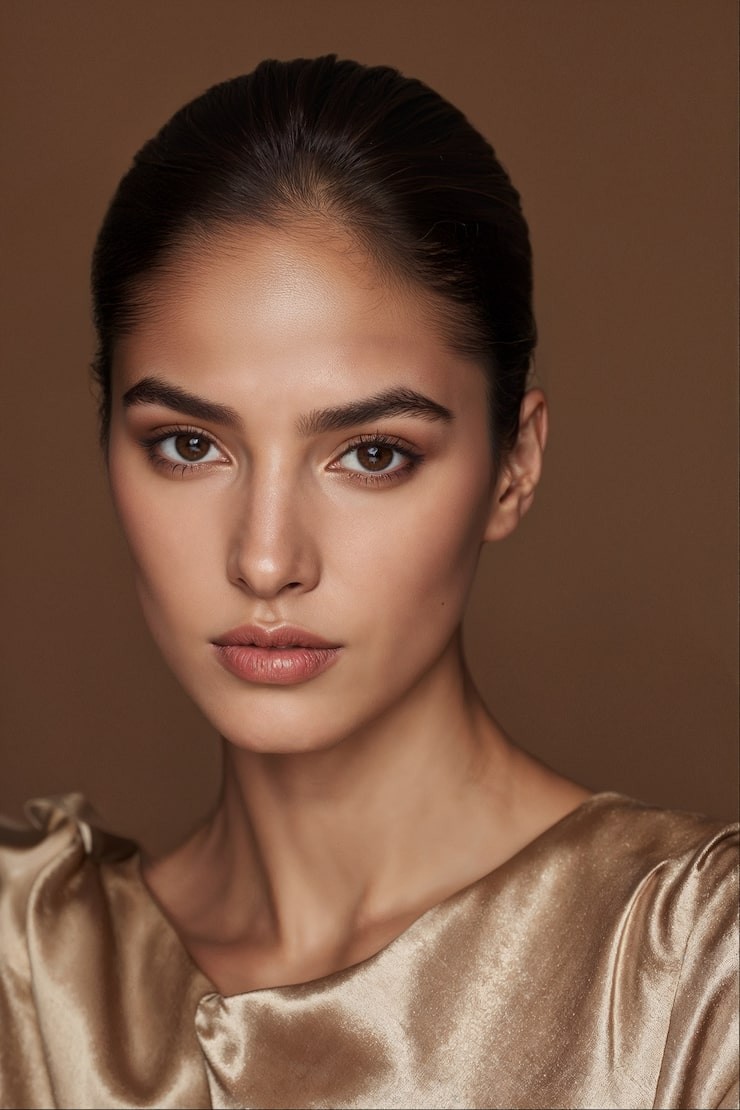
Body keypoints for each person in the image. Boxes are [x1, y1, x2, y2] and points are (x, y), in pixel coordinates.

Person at [0, 55, 736, 1110]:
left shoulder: (691, 978)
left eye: (372, 454)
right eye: (188, 445)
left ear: (511, 467)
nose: (264, 559)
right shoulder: (26, 973)